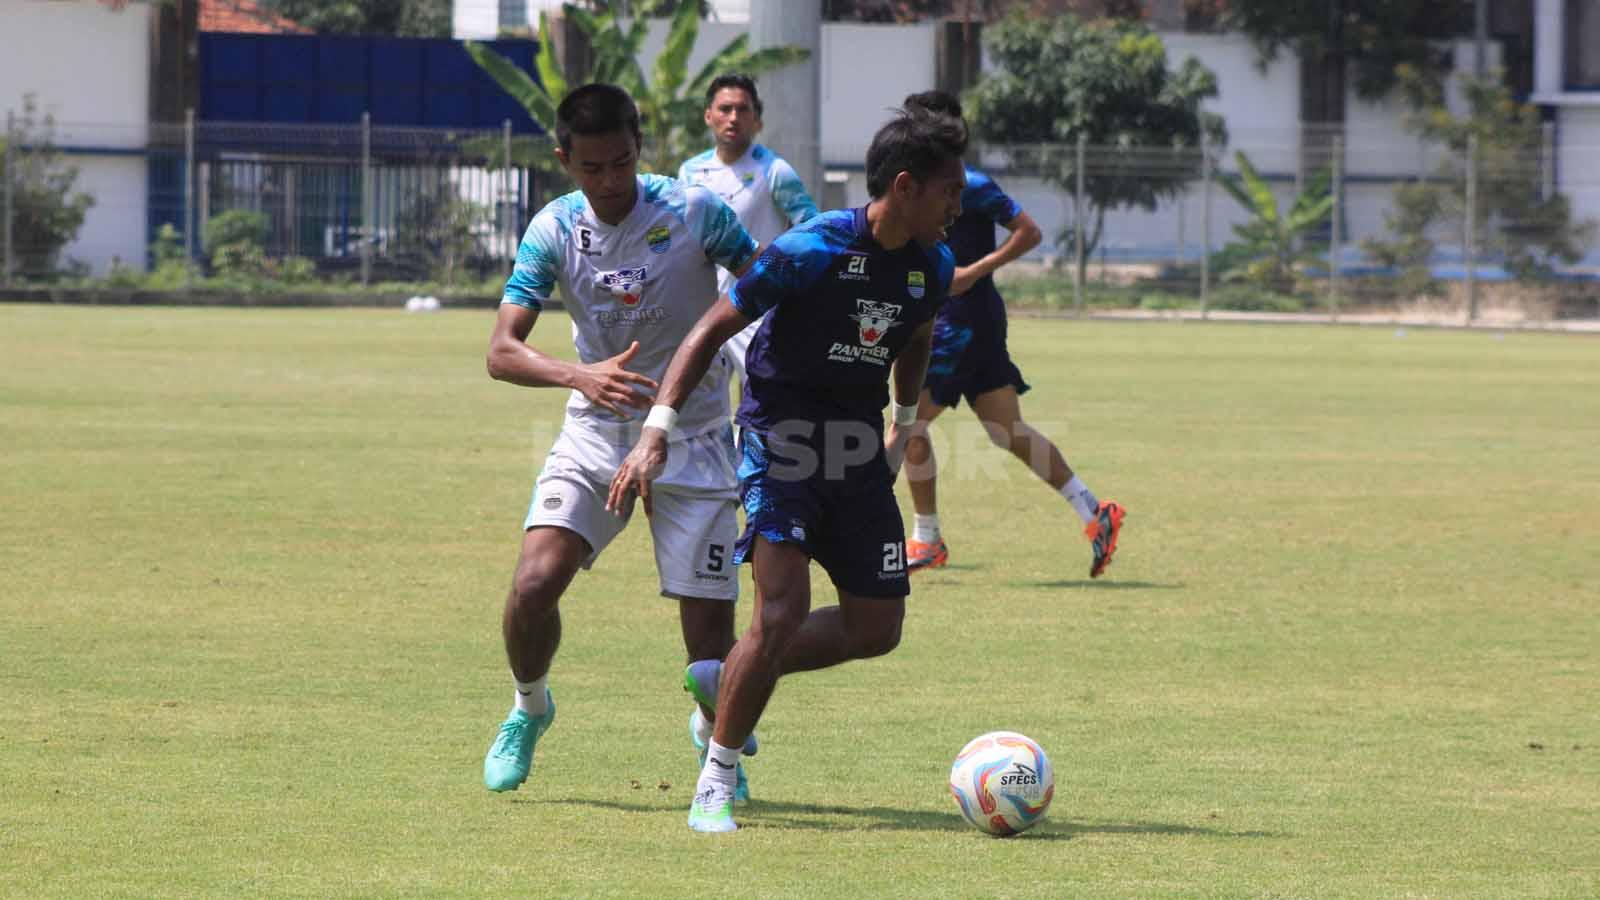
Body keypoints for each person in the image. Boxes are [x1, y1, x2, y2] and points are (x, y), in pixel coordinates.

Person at [609, 107, 968, 833]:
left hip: (858, 449)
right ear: (904, 187)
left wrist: (905, 422)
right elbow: (711, 329)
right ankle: (717, 775)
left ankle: (725, 675)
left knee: (878, 627)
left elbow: (917, 333)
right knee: (781, 612)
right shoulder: (813, 248)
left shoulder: (933, 264)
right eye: (949, 193)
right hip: (780, 438)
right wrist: (656, 432)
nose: (958, 208)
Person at [480, 83, 761, 796]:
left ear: (640, 149)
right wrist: (580, 376)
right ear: (564, 160)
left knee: (708, 652)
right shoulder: (553, 228)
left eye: (622, 164)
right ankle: (529, 707)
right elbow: (502, 351)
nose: (609, 182)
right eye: (592, 168)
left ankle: (713, 739)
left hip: (694, 434)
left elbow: (764, 285)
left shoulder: (695, 211)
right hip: (598, 431)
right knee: (533, 585)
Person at [898, 90, 1125, 579]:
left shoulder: (972, 184)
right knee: (1008, 431)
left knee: (907, 425)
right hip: (967, 320)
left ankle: (926, 538)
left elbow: (1029, 231)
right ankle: (1094, 511)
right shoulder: (918, 185)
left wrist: (974, 269)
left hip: (961, 322)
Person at [678, 73, 820, 382]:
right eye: (725, 109)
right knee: (702, 401)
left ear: (757, 120)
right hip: (705, 309)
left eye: (743, 110)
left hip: (757, 308)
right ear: (708, 115)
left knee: (760, 397)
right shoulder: (690, 172)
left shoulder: (774, 171)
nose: (733, 118)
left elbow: (812, 231)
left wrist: (785, 275)